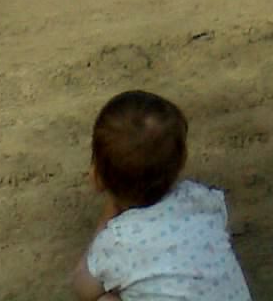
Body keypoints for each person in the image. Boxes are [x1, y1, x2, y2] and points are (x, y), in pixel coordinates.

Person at [72, 89, 252, 301]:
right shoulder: (200, 198)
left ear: (97, 177)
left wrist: (109, 212)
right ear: (182, 159)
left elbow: (83, 288)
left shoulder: (118, 240)